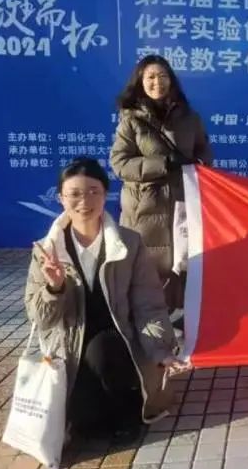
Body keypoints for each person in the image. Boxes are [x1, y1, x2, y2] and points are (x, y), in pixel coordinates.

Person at [24, 158, 188, 439]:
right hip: (69, 346)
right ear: (61, 198)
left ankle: (127, 412)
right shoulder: (47, 250)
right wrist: (54, 287)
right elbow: (41, 319)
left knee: (103, 350)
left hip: (120, 341)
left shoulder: (129, 243)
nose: (84, 201)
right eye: (74, 194)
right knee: (83, 422)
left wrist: (160, 349)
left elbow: (148, 304)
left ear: (105, 194)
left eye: (93, 191)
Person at [110, 55, 212, 319]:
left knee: (184, 267)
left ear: (172, 80)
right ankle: (148, 328)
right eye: (151, 77)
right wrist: (162, 164)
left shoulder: (190, 118)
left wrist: (199, 164)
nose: (158, 82)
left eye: (163, 76)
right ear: (140, 82)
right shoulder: (130, 121)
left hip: (182, 206)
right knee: (146, 273)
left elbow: (204, 152)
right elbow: (120, 164)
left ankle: (181, 326)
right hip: (144, 212)